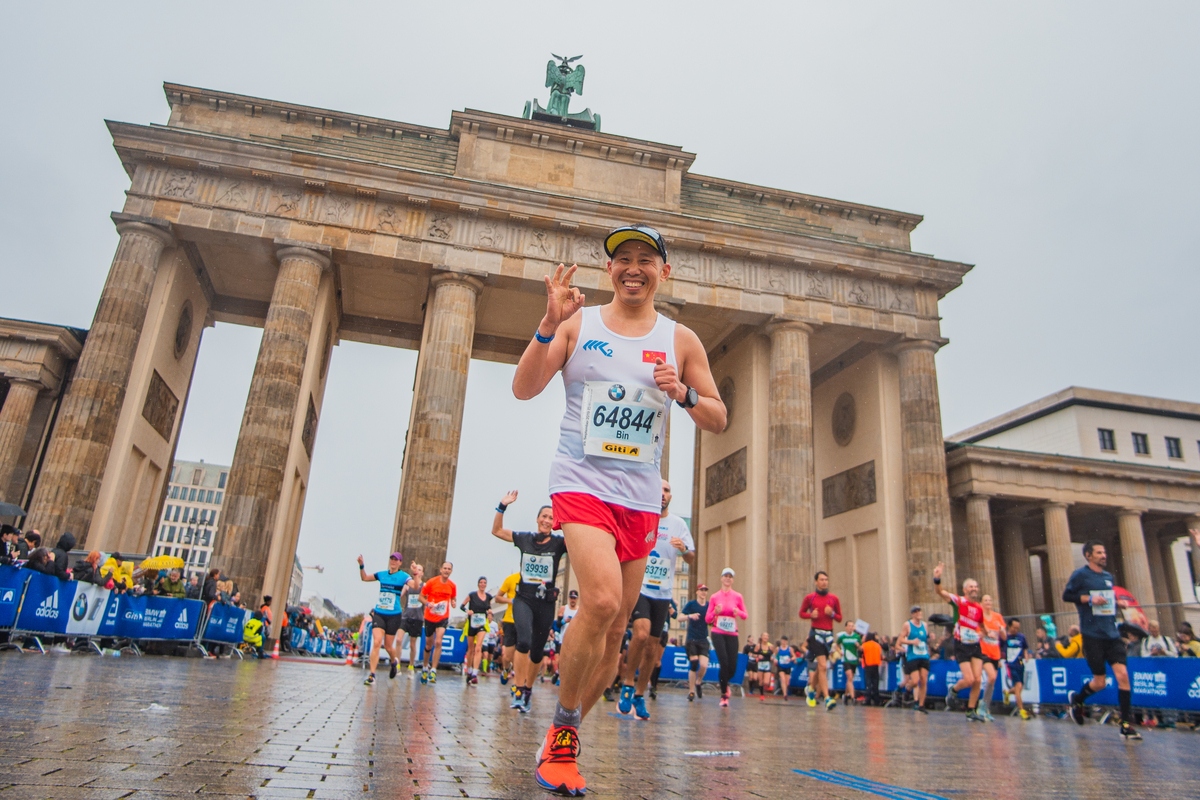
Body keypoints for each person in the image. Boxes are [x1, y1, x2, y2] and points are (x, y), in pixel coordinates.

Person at [511, 224, 726, 796]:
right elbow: (524, 388)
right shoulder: (580, 325)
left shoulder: (681, 340)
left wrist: (682, 392)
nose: (633, 268)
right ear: (610, 270)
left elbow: (718, 417)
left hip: (638, 497)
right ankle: (560, 735)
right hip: (580, 483)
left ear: (664, 271)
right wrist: (548, 326)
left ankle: (572, 723)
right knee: (601, 598)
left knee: (612, 637)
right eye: (622, 259)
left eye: (645, 259)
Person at [617, 479, 694, 720]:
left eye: (667, 490)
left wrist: (683, 549)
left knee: (653, 646)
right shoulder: (640, 517)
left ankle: (640, 694)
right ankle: (628, 683)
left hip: (663, 594)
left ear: (671, 496)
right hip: (641, 590)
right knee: (640, 634)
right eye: (659, 489)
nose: (662, 494)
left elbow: (691, 558)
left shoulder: (678, 524)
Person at [491, 492, 567, 713]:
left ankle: (527, 689)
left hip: (545, 603)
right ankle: (517, 687)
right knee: (523, 641)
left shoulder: (560, 543)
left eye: (551, 518)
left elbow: (581, 543)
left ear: (555, 523)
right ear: (537, 519)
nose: (546, 520)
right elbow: (496, 531)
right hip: (523, 599)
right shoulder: (525, 538)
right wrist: (501, 506)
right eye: (544, 516)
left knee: (536, 651)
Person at [1064, 540, 1141, 739]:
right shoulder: (1080, 575)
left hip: (1112, 634)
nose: (1103, 555)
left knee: (1123, 675)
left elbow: (1107, 600)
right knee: (1100, 682)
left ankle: (1126, 725)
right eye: (1099, 552)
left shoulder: (1108, 577)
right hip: (1092, 635)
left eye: (1104, 552)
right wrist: (1089, 599)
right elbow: (1067, 595)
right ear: (1088, 555)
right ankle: (1078, 699)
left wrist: (1118, 602)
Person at [932, 562, 987, 722]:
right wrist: (937, 578)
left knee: (978, 679)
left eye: (976, 587)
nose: (974, 589)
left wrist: (985, 633)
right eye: (971, 587)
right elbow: (940, 592)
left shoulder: (978, 608)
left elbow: (981, 625)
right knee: (969, 679)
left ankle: (971, 710)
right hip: (961, 644)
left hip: (974, 644)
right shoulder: (959, 601)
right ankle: (954, 690)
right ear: (965, 590)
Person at [357, 552, 410, 685]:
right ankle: (372, 675)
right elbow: (364, 578)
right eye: (391, 559)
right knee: (376, 642)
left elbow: (414, 585)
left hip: (394, 615)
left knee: (388, 646)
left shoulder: (403, 576)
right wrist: (361, 565)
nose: (393, 561)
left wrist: (415, 575)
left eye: (396, 560)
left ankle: (394, 661)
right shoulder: (382, 574)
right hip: (379, 612)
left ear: (400, 563)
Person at [799, 570, 842, 711]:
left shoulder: (833, 599)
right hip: (815, 634)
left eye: (826, 579)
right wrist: (811, 615)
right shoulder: (810, 598)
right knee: (823, 665)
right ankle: (827, 697)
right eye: (821, 579)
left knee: (820, 667)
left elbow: (840, 618)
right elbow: (801, 613)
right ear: (816, 582)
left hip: (828, 635)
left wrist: (833, 613)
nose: (824, 582)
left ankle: (811, 689)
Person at [706, 568, 748, 708]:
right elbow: (707, 618)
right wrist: (714, 612)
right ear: (721, 578)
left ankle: (724, 682)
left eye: (730, 577)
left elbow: (745, 615)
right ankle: (724, 694)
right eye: (726, 576)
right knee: (723, 662)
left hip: (732, 633)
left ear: (732, 580)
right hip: (718, 631)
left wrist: (738, 612)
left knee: (732, 666)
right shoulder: (714, 597)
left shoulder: (738, 596)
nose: (728, 579)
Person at [418, 562, 457, 684]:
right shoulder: (431, 582)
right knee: (429, 645)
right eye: (444, 568)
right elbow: (421, 597)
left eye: (449, 569)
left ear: (451, 571)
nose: (446, 570)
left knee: (439, 641)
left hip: (443, 617)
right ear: (440, 570)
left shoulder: (452, 585)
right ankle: (425, 667)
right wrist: (427, 603)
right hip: (430, 616)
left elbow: (453, 597)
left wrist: (453, 602)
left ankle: (434, 670)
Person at [460, 576, 494, 685]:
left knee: (478, 647)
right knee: (471, 649)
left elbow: (489, 607)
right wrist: (467, 611)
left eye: (485, 582)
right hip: (472, 623)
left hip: (482, 624)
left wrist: (489, 612)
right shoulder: (472, 595)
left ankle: (475, 673)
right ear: (478, 584)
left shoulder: (489, 596)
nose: (483, 584)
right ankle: (469, 670)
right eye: (481, 582)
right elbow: (462, 606)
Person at [978, 595, 1006, 721]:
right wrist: (986, 632)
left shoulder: (997, 617)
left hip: (995, 652)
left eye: (990, 600)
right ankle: (982, 705)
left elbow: (1004, 637)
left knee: (992, 681)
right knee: (992, 676)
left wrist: (1000, 630)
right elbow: (977, 633)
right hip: (984, 651)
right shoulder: (980, 617)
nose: (988, 602)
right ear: (981, 603)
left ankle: (985, 707)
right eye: (986, 600)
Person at [898, 605, 930, 713]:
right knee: (915, 681)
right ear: (912, 614)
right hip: (913, 656)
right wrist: (912, 642)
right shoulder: (907, 625)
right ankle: (908, 688)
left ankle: (921, 705)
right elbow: (901, 639)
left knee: (924, 680)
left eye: (919, 611)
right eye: (915, 612)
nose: (918, 613)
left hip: (924, 655)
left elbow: (925, 639)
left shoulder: (925, 625)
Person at [681, 584, 710, 702]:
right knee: (693, 663)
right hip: (692, 639)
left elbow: (712, 619)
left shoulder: (708, 605)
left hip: (703, 639)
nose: (703, 592)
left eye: (705, 590)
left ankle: (698, 682)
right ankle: (691, 691)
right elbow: (679, 617)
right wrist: (690, 616)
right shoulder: (691, 604)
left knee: (703, 665)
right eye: (701, 590)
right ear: (697, 592)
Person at [494, 571, 521, 685]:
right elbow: (497, 598)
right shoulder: (511, 579)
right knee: (508, 655)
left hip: (525, 622)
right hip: (510, 621)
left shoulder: (534, 581)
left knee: (521, 653)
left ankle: (517, 684)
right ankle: (505, 669)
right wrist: (510, 600)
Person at [398, 562, 425, 673]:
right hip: (406, 616)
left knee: (412, 645)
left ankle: (411, 665)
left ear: (422, 573)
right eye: (416, 569)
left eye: (419, 570)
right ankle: (397, 664)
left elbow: (425, 595)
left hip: (417, 618)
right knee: (399, 639)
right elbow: (399, 596)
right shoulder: (407, 585)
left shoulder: (425, 586)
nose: (417, 571)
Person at [1004, 618, 1032, 720]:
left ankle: (1007, 692)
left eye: (1017, 628)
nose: (1016, 630)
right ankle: (1021, 710)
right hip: (1011, 665)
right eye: (1014, 628)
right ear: (1009, 626)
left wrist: (1026, 656)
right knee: (1018, 686)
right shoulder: (1005, 637)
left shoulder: (1021, 637)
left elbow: (1025, 648)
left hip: (1020, 664)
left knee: (1019, 688)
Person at [834, 621, 862, 706]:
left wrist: (858, 646)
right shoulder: (842, 637)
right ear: (846, 627)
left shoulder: (857, 637)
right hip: (846, 659)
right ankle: (853, 698)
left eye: (852, 626)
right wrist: (840, 651)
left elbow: (861, 649)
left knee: (850, 679)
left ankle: (845, 695)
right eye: (849, 626)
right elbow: (836, 645)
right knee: (849, 676)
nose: (850, 627)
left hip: (854, 659)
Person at [860, 633, 883, 706]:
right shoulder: (877, 645)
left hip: (868, 665)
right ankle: (877, 700)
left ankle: (868, 700)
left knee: (868, 683)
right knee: (875, 683)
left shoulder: (864, 645)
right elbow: (881, 655)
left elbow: (860, 653)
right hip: (876, 665)